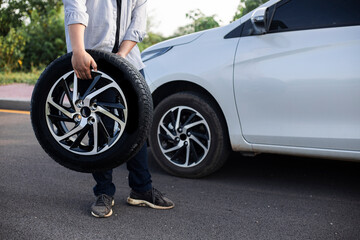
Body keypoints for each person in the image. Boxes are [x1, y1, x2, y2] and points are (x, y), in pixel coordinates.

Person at [62, 0, 174, 218]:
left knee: (137, 126)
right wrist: (77, 51)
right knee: (100, 129)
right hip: (91, 61)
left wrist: (121, 59)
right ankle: (103, 193)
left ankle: (141, 189)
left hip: (129, 61)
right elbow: (75, 8)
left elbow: (137, 24)